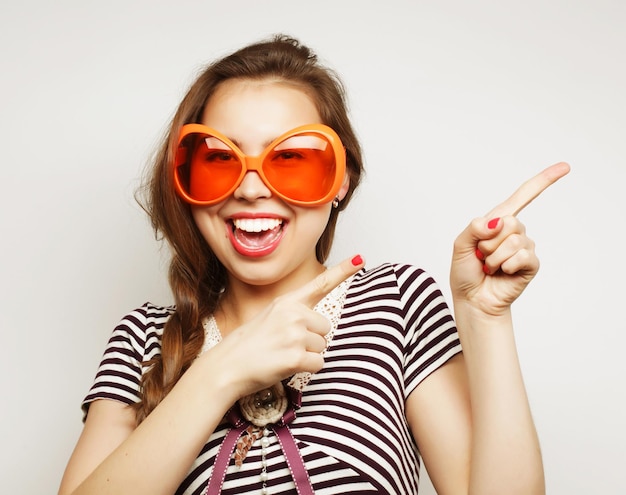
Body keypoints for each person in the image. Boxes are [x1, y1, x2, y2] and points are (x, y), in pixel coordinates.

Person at [58, 34, 569, 495]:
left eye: (292, 159)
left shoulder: (397, 305)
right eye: (219, 159)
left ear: (341, 180)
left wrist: (486, 318)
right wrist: (221, 372)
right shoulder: (142, 340)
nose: (251, 189)